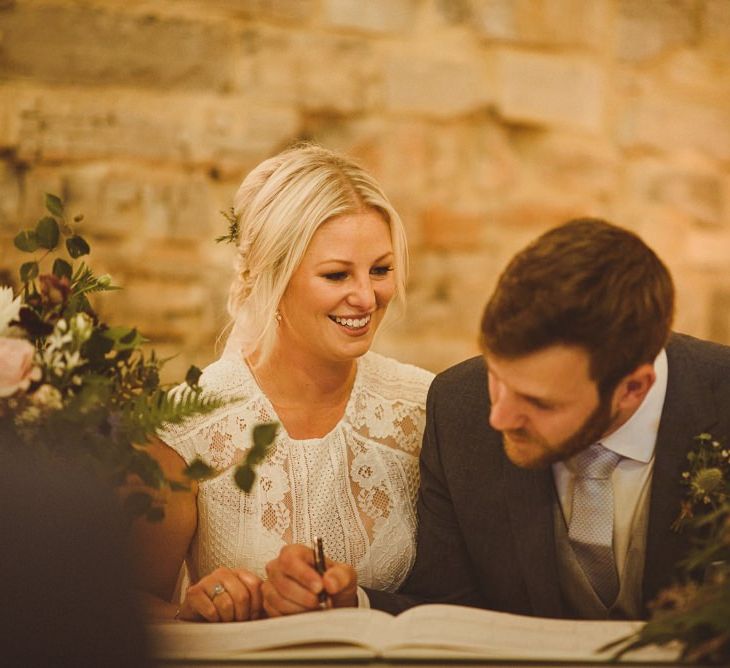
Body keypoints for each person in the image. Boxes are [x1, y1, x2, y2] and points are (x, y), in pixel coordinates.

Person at [262, 217, 730, 621]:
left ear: (632, 388)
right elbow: (449, 603)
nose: (501, 416)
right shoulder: (459, 406)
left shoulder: (719, 401)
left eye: (539, 402)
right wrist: (352, 603)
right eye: (498, 378)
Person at [132, 144, 433, 622]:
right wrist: (191, 612)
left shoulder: (423, 407)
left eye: (380, 269)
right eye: (336, 274)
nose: (366, 297)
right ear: (271, 276)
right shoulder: (184, 429)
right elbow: (118, 609)